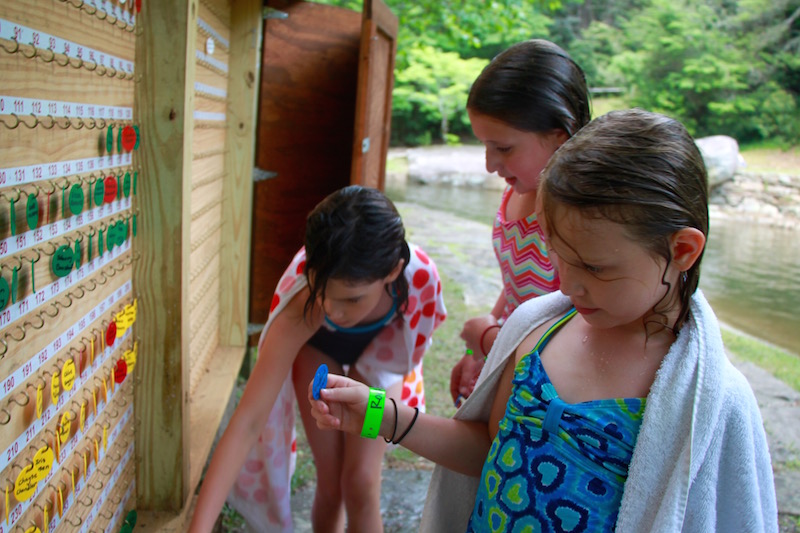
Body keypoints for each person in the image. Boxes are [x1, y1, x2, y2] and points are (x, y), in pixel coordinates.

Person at [309, 110, 778, 532]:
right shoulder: (538, 328)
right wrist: (377, 414)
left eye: (595, 267)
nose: (569, 286)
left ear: (681, 251)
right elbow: (489, 446)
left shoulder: (709, 402)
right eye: (559, 256)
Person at [188, 186, 446, 532]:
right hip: (318, 353)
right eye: (321, 290)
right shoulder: (301, 303)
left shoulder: (420, 280)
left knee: (361, 481)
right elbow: (250, 420)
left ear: (393, 271)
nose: (330, 309)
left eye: (352, 299)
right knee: (331, 479)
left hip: (381, 362)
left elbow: (404, 354)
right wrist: (198, 528)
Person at [451, 39, 591, 405]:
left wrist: (489, 340)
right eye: (484, 145)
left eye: (504, 148)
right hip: (508, 353)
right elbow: (519, 285)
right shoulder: (516, 191)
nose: (489, 165)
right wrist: (479, 353)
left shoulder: (578, 222)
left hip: (546, 386)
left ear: (559, 136)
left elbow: (577, 334)